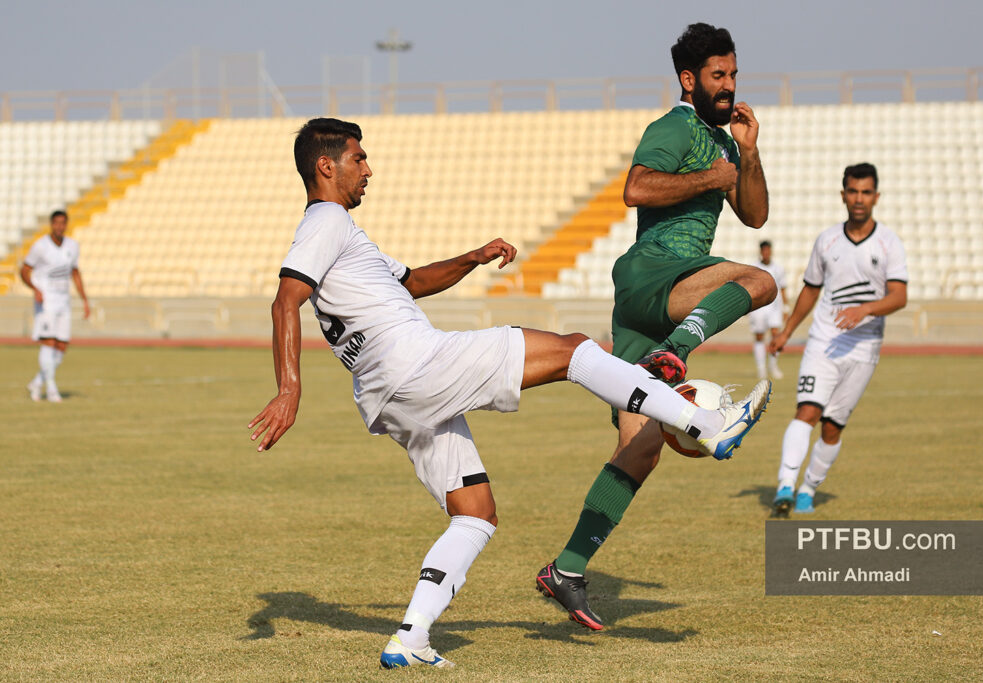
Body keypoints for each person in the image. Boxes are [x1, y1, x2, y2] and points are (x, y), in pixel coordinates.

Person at [247, 118, 771, 669]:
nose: (368, 169)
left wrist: (471, 258)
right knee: (573, 350)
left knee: (474, 514)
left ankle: (411, 639)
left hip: (386, 395)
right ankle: (706, 424)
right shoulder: (326, 220)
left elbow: (412, 282)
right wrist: (289, 390)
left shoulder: (346, 237)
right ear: (325, 166)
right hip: (415, 362)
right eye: (359, 158)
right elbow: (286, 300)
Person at [535, 22, 773, 631]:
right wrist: (714, 177)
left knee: (640, 448)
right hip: (656, 273)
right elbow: (635, 189)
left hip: (648, 304)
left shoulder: (724, 142)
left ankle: (565, 569)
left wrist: (747, 153)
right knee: (761, 283)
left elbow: (755, 213)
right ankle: (675, 354)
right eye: (718, 76)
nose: (729, 86)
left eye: (734, 74)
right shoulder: (675, 126)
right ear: (689, 80)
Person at [768, 163, 908, 517]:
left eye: (865, 192)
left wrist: (865, 310)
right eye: (852, 191)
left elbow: (899, 296)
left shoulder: (889, 242)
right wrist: (786, 331)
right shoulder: (826, 240)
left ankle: (807, 490)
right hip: (824, 341)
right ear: (842, 194)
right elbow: (810, 290)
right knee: (807, 411)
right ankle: (784, 486)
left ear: (875, 197)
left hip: (864, 348)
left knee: (833, 426)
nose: (858, 199)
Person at [20, 210, 90, 403]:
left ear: (66, 225)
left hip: (63, 301)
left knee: (61, 345)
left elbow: (75, 273)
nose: (59, 227)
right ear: (51, 224)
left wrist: (85, 300)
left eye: (63, 223)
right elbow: (24, 270)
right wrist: (36, 289)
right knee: (49, 343)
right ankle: (51, 389)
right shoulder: (40, 246)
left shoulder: (72, 246)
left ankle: (37, 382)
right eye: (56, 223)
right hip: (47, 302)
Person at [748, 240, 787, 379]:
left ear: (770, 251)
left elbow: (783, 288)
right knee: (759, 337)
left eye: (768, 250)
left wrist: (786, 308)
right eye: (763, 250)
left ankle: (773, 365)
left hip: (775, 307)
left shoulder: (778, 268)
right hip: (759, 307)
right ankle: (761, 369)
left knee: (775, 336)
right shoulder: (753, 268)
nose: (766, 253)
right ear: (761, 252)